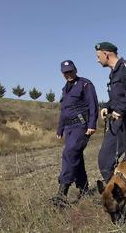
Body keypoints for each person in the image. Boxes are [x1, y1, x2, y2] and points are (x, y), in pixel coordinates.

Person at [94, 42, 126, 183]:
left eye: (98, 56)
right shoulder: (113, 74)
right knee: (105, 159)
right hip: (118, 123)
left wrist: (121, 109)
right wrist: (107, 106)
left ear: (106, 54)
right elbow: (117, 98)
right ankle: (117, 191)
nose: (97, 59)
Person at [52, 60, 98, 205]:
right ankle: (84, 189)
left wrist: (91, 124)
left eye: (71, 71)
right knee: (76, 156)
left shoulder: (85, 84)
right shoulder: (65, 89)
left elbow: (93, 105)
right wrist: (60, 128)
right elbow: (64, 111)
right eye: (66, 72)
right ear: (62, 73)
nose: (69, 74)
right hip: (68, 128)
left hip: (81, 126)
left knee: (69, 153)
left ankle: (62, 192)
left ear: (75, 70)